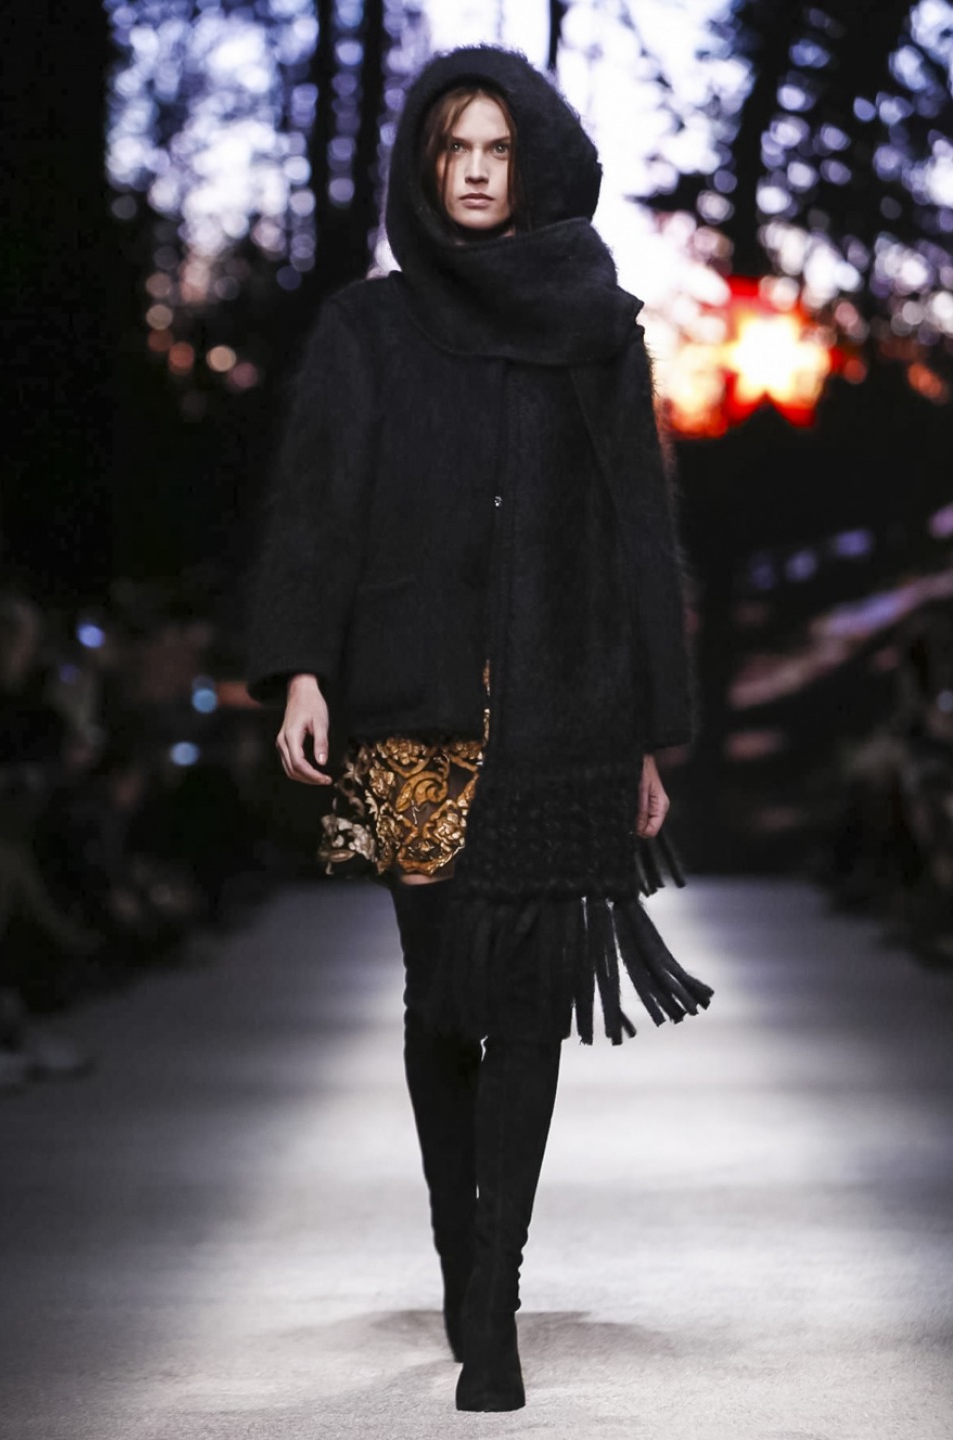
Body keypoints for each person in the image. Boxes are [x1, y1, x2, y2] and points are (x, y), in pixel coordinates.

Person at [246, 45, 713, 1413]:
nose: (473, 171)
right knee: (440, 991)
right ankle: (460, 1249)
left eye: (498, 149)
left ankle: (494, 1301)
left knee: (528, 1004)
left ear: (536, 163)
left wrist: (653, 724)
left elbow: (638, 530)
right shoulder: (370, 329)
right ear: (423, 165)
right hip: (406, 704)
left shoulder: (596, 328)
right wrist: (301, 669)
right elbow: (318, 504)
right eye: (453, 147)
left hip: (567, 710)